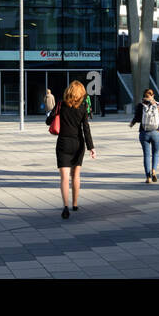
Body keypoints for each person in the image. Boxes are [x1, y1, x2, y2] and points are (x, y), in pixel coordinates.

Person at [46, 80, 96, 219]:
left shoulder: (61, 104)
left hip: (63, 143)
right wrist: (91, 147)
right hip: (78, 143)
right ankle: (75, 204)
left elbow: (48, 121)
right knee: (76, 175)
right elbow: (86, 128)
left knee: (64, 178)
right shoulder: (83, 106)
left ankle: (65, 207)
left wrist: (54, 114)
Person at [129, 88, 159, 183]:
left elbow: (136, 118)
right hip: (156, 132)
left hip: (144, 133)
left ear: (144, 96)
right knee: (155, 153)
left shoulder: (141, 105)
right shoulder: (157, 105)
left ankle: (148, 177)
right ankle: (154, 170)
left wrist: (132, 124)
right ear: (153, 95)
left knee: (146, 155)